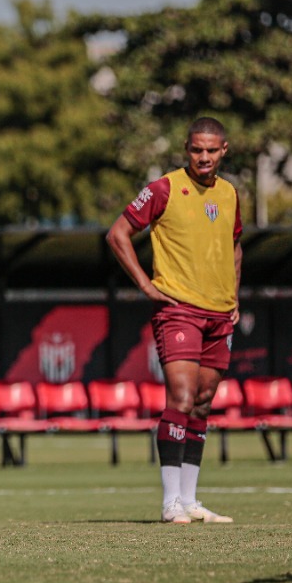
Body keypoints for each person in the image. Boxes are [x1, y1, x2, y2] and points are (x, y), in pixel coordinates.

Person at [106, 117, 242, 525]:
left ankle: (190, 500)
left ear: (224, 150)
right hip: (178, 307)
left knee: (201, 405)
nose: (204, 156)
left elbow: (235, 245)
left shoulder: (231, 192)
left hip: (220, 313)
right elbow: (117, 234)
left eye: (211, 150)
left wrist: (235, 295)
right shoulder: (164, 188)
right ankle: (170, 504)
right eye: (196, 149)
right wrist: (146, 285)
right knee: (180, 400)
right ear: (187, 148)